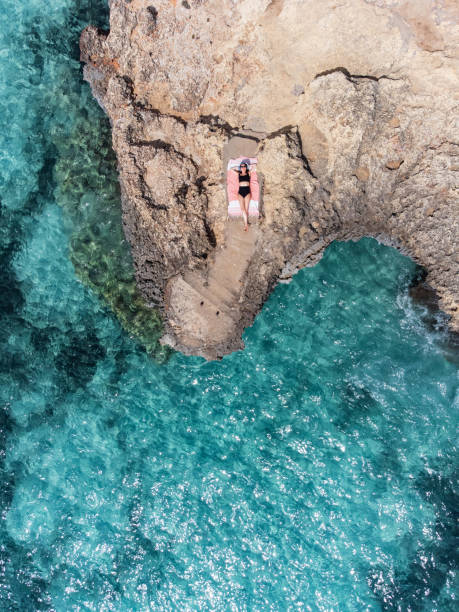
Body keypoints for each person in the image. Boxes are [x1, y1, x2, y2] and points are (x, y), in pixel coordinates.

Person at [233, 162, 251, 231]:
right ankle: (246, 225)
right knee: (243, 209)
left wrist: (249, 166)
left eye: (244, 166)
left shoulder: (248, 173)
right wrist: (237, 169)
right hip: (240, 192)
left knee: (246, 210)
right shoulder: (239, 174)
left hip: (247, 192)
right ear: (240, 167)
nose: (243, 167)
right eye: (241, 166)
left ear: (246, 167)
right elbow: (231, 169)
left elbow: (255, 166)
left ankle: (246, 224)